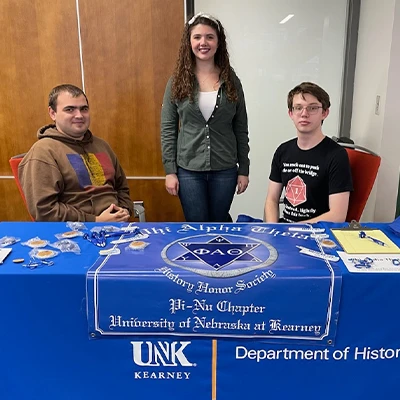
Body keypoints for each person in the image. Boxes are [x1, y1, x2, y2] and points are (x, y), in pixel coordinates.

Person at [161, 12, 250, 222]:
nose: (204, 42)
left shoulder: (231, 80)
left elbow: (241, 127)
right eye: (197, 37)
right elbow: (168, 129)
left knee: (219, 223)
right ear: (189, 42)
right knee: (197, 224)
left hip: (225, 169)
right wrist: (170, 171)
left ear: (218, 42)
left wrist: (244, 169)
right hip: (188, 169)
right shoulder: (176, 82)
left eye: (210, 37)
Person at [19, 84, 133, 222]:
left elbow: (122, 188)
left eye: (84, 109)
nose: (79, 115)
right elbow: (44, 210)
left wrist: (125, 210)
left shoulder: (102, 145)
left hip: (120, 228)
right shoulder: (43, 152)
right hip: (76, 235)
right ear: (52, 113)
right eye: (70, 109)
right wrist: (95, 221)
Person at [264, 82, 353, 223]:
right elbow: (272, 199)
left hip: (317, 235)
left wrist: (291, 230)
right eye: (298, 108)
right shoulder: (283, 150)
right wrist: (273, 230)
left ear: (325, 113)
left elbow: (337, 216)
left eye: (312, 108)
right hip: (284, 231)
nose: (304, 114)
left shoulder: (336, 155)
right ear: (291, 113)